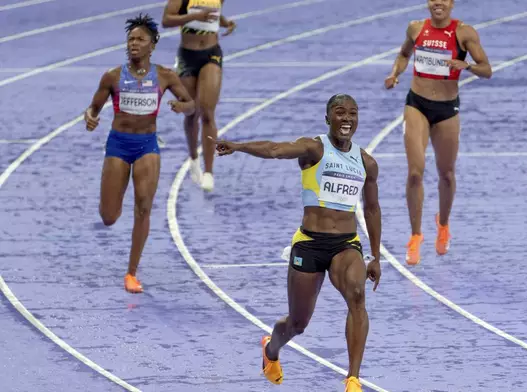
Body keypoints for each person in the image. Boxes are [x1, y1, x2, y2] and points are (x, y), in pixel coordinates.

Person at [213, 94, 382, 392]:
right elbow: (276, 150)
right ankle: (271, 350)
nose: (347, 118)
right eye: (340, 113)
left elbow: (371, 209)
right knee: (298, 323)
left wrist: (376, 257)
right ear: (328, 119)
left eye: (352, 113)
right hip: (309, 244)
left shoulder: (366, 162)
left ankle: (353, 379)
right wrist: (238, 146)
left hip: (346, 244)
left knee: (357, 297)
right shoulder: (314, 148)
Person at [83, 14, 195, 293]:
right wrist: (90, 118)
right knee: (109, 216)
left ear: (152, 45)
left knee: (144, 207)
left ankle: (132, 273)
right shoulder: (111, 77)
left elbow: (192, 104)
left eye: (140, 39)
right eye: (131, 39)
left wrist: (185, 107)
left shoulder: (166, 76)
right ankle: (114, 202)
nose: (134, 44)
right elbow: (92, 109)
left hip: (147, 146)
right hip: (118, 145)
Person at [384, 0, 492, 263]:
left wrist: (466, 66)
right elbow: (404, 54)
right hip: (417, 104)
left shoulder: (464, 33)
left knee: (446, 174)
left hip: (446, 110)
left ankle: (443, 225)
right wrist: (395, 73)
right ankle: (415, 236)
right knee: (414, 173)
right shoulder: (415, 28)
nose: (438, 4)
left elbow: (487, 70)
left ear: (452, 4)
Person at [161, 0, 236, 192]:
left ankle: (209, 172)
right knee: (191, 112)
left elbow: (213, 15)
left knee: (207, 112)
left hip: (212, 54)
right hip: (187, 57)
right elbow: (166, 20)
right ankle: (194, 158)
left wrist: (225, 22)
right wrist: (193, 16)